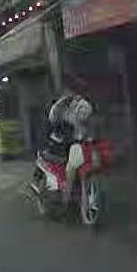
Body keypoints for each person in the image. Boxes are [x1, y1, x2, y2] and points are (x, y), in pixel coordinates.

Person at [47, 75, 97, 204]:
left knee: (71, 169)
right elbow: (52, 118)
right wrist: (61, 103)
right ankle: (65, 195)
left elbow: (81, 118)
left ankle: (66, 199)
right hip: (67, 143)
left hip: (81, 144)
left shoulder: (83, 105)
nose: (66, 92)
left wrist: (68, 111)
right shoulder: (64, 104)